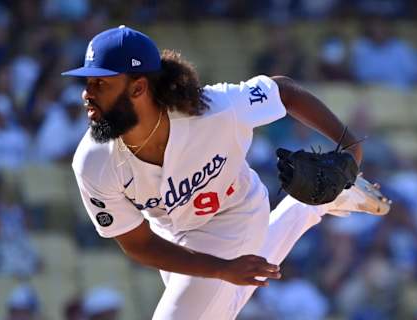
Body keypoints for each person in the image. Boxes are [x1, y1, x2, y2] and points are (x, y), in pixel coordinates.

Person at [62, 25, 389, 320]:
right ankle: (314, 204)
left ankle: (315, 204)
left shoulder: (214, 109)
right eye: (88, 82)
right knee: (222, 307)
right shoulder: (93, 161)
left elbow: (284, 92)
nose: (86, 94)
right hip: (171, 233)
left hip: (235, 213)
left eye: (101, 83)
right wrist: (222, 269)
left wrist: (351, 149)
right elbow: (138, 243)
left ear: (138, 88)